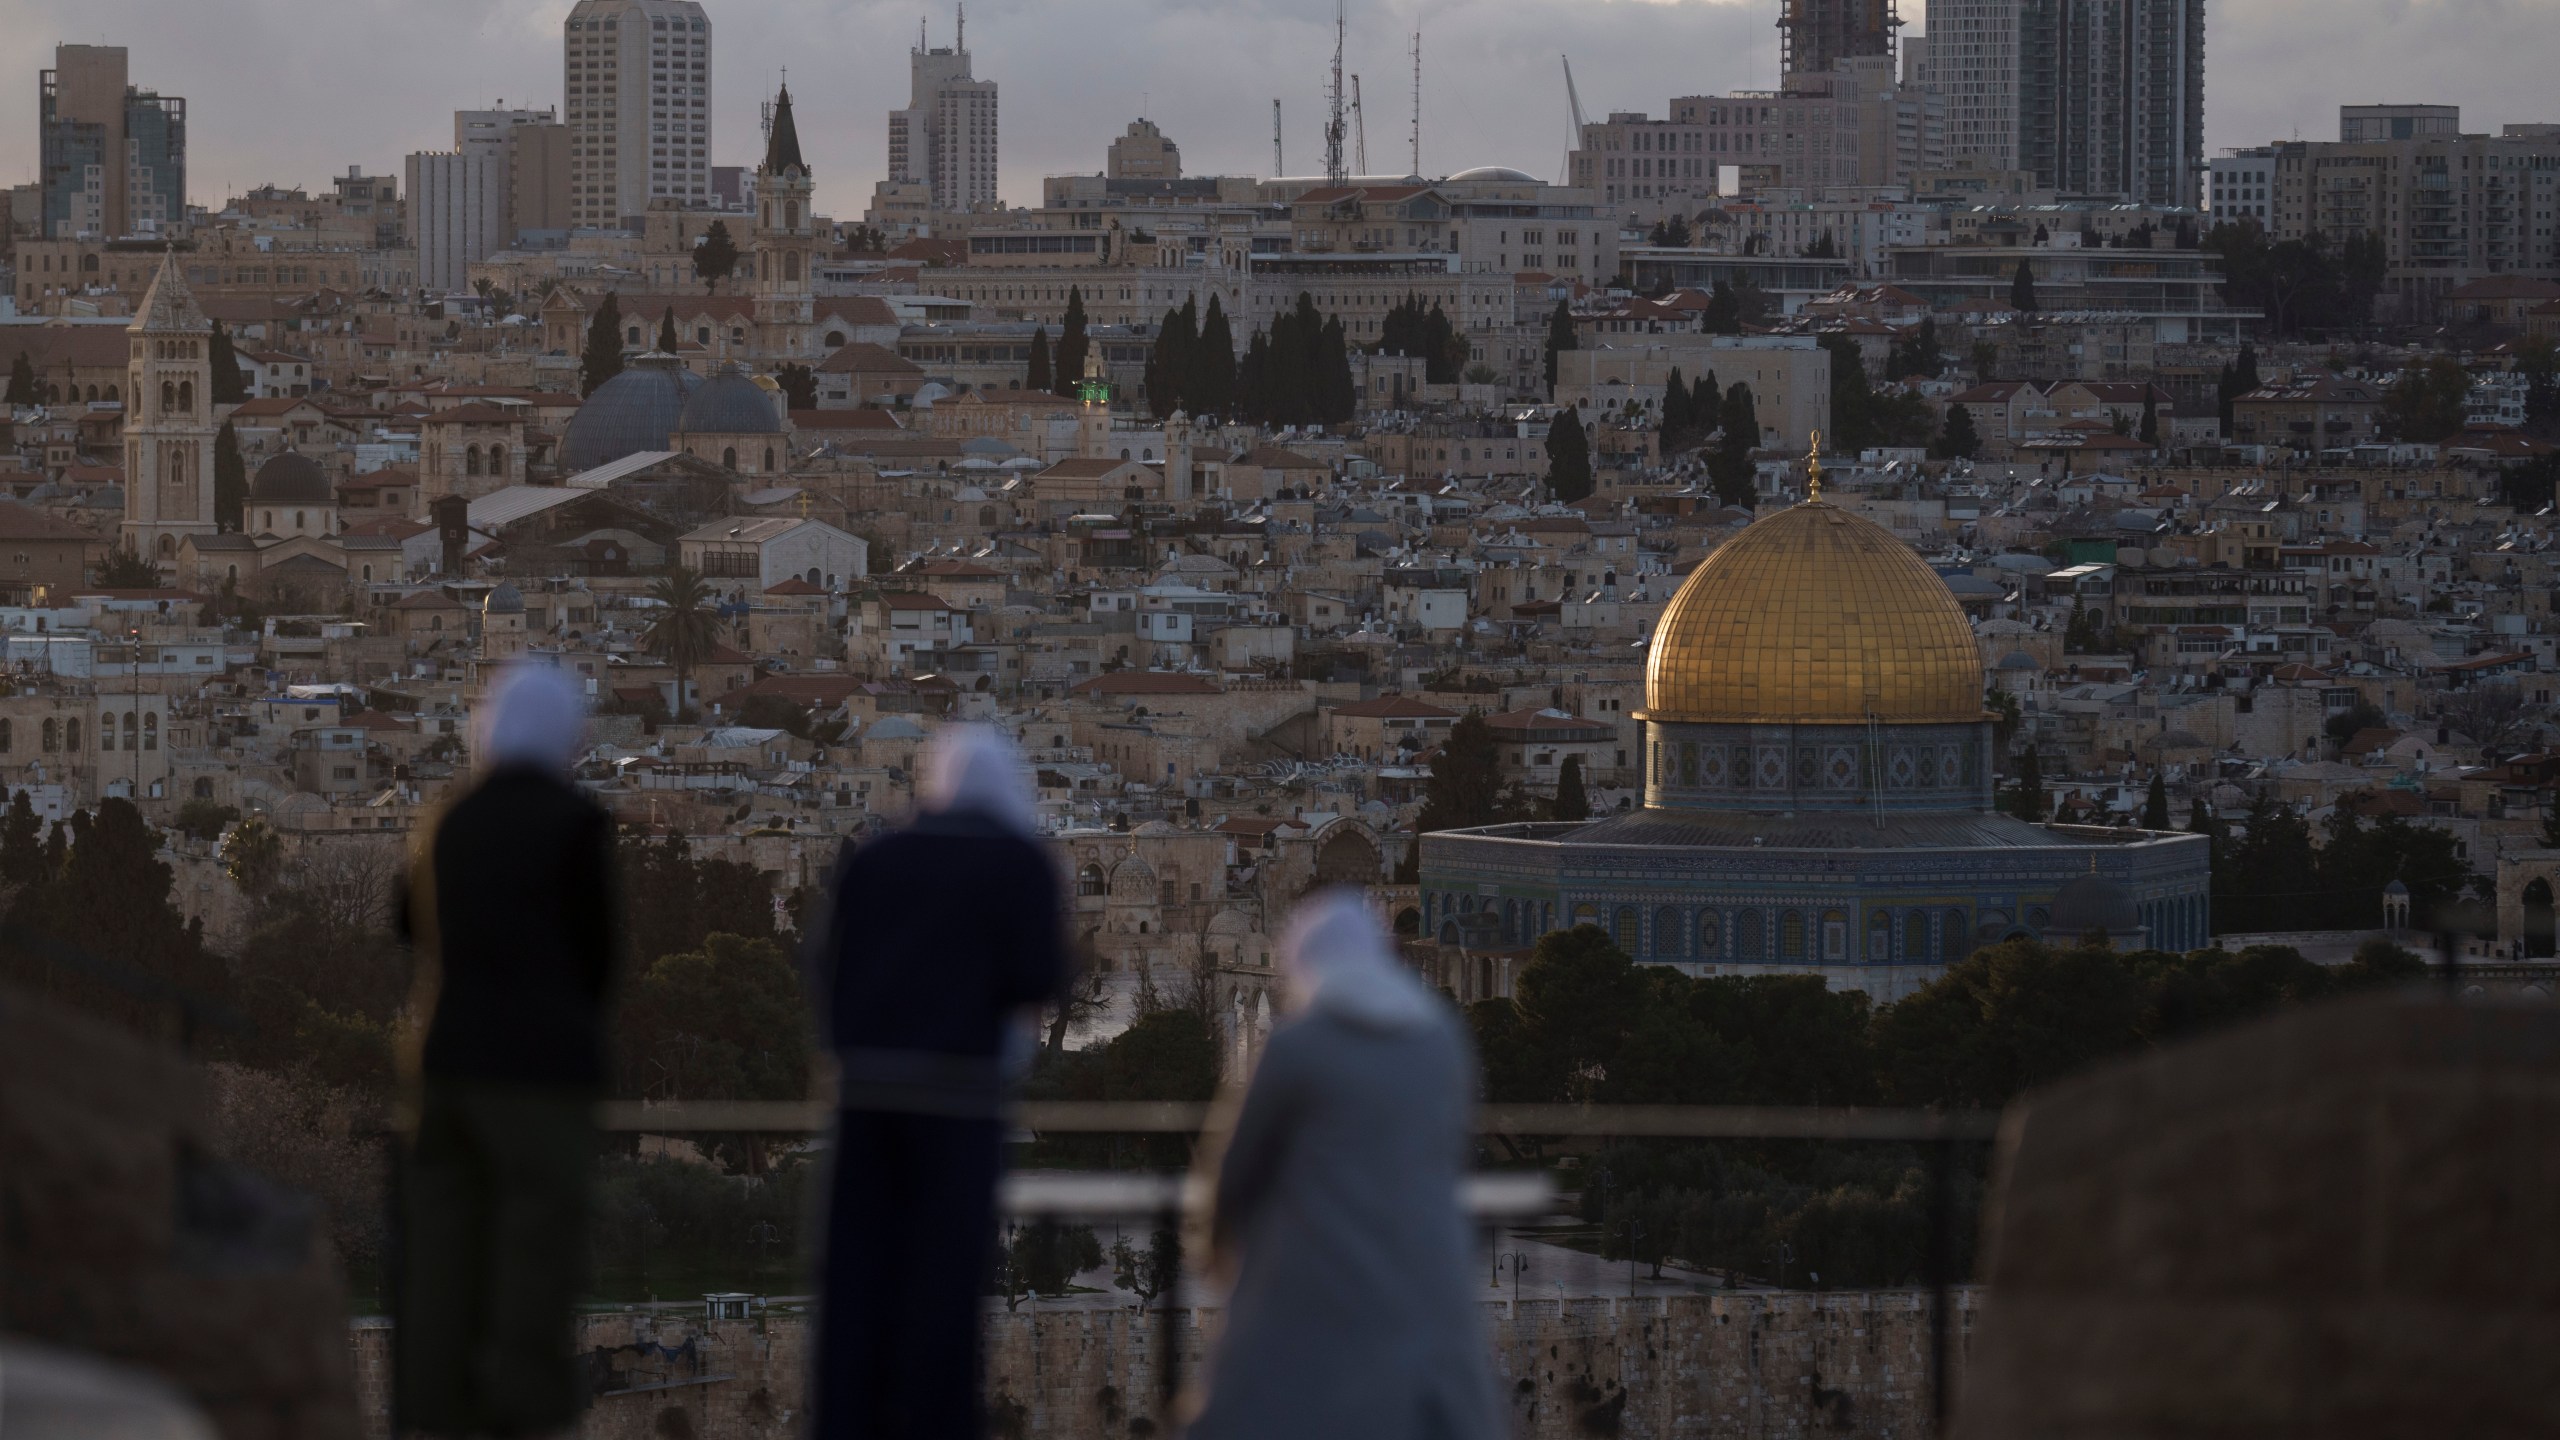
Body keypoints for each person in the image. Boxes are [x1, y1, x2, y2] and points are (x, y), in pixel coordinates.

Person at [807, 725, 1068, 1438]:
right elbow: (1040, 977)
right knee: (945, 1289)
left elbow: (826, 970)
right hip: (958, 1102)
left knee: (856, 1283)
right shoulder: (1020, 863)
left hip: (866, 1100)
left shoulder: (877, 858)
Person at [1183, 890, 1497, 1440]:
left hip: (1316, 1269)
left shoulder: (1297, 1046)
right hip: (1426, 1264)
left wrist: (1212, 1249)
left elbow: (1237, 1166)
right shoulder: (1443, 1040)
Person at [397, 660, 615, 1436]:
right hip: (540, 1073)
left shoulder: (449, 819)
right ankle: (520, 1415)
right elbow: (600, 951)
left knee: (444, 1250)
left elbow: (406, 923)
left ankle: (432, 1412)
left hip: (448, 1063)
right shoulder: (573, 822)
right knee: (535, 1245)